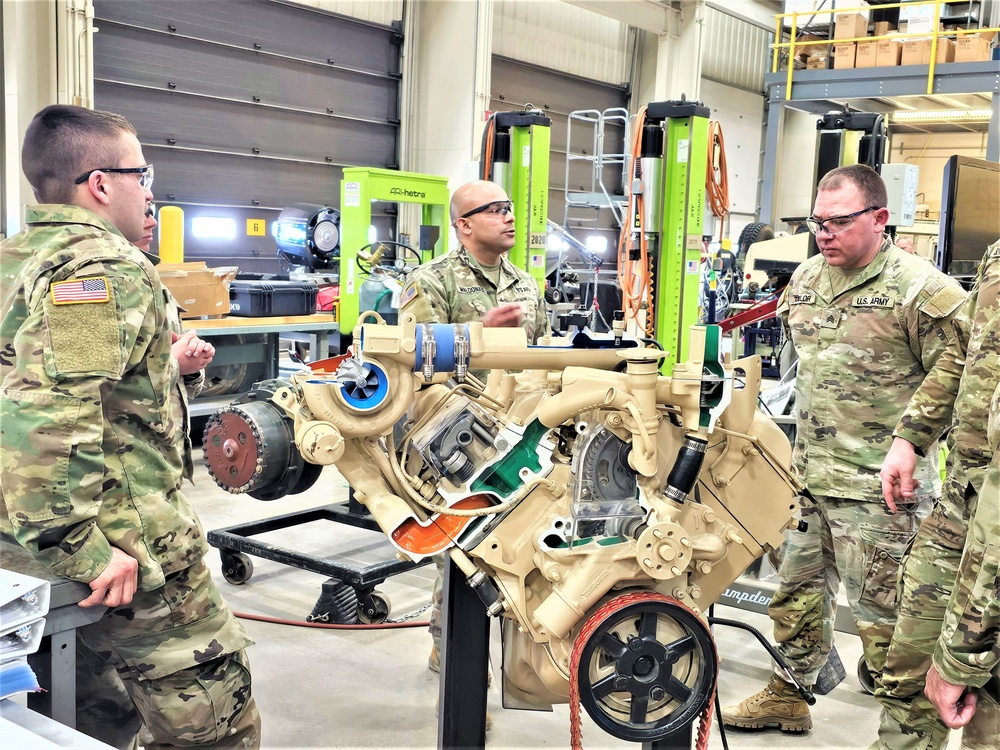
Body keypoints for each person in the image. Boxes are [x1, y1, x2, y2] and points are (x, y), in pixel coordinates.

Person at [0, 105, 260, 749]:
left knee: (85, 716)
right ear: (99, 183)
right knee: (215, 727)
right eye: (140, 173)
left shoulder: (18, 258)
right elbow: (51, 409)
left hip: (22, 545)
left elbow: (60, 382)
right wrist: (78, 544)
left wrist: (170, 368)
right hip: (121, 548)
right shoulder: (100, 272)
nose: (148, 189)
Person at [721, 164, 967, 733]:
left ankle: (908, 733)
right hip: (808, 479)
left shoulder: (923, 292)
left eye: (839, 221)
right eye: (817, 222)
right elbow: (799, 367)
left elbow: (962, 373)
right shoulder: (806, 279)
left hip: (879, 493)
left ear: (880, 219)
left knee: (890, 624)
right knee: (797, 600)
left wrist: (911, 440)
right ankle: (789, 691)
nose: (824, 233)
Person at [399, 179, 548, 681]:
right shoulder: (431, 281)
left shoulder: (528, 284)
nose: (510, 217)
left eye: (510, 208)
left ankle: (513, 655)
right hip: (456, 434)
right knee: (462, 545)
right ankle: (453, 652)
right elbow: (414, 360)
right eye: (495, 210)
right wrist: (481, 329)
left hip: (520, 430)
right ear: (463, 225)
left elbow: (542, 356)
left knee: (515, 541)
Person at [871, 238, 1000, 750]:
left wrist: (961, 660)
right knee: (909, 666)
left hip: (994, 513)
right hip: (964, 496)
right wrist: (910, 438)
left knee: (983, 700)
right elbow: (965, 349)